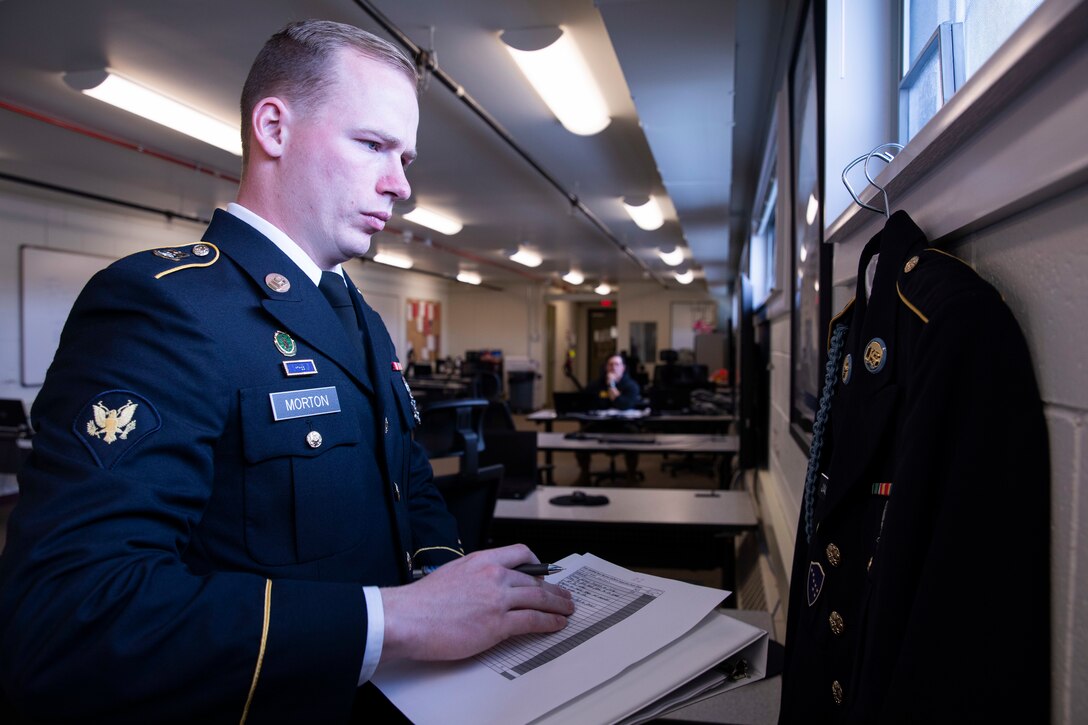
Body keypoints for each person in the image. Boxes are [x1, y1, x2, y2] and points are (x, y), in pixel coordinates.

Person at [0, 20, 573, 723]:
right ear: (273, 127)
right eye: (372, 145)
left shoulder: (352, 311)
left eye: (407, 158)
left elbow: (406, 481)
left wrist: (451, 579)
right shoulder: (167, 304)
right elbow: (69, 617)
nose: (399, 185)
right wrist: (398, 620)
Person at [574, 354, 643, 485]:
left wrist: (611, 385)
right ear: (606, 367)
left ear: (623, 368)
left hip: (623, 426)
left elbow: (623, 405)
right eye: (610, 364)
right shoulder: (596, 384)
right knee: (580, 436)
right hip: (600, 424)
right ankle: (584, 474)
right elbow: (585, 403)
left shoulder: (631, 385)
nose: (613, 367)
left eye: (617, 364)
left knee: (634, 437)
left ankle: (631, 475)